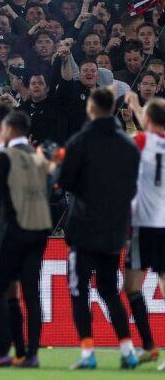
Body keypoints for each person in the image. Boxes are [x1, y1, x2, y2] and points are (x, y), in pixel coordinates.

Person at [57, 86, 141, 369]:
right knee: (109, 290)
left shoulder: (81, 141)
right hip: (115, 229)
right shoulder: (129, 145)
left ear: (91, 109)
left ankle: (87, 352)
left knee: (79, 289)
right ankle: (128, 350)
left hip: (83, 229)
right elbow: (132, 188)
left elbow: (65, 183)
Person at [0, 110, 51, 368]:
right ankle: (28, 353)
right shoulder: (39, 157)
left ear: (8, 128)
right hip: (40, 229)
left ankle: (2, 351)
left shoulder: (5, 156)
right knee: (30, 293)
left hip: (13, 229)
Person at [124, 90, 165, 370]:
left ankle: (149, 345)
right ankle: (150, 347)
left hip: (144, 225)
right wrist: (139, 107)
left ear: (147, 119)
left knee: (131, 287)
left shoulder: (139, 140)